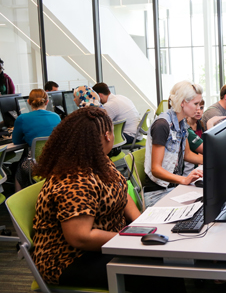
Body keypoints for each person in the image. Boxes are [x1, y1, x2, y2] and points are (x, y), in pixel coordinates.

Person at [31, 106, 186, 292]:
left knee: (166, 261)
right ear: (107, 135)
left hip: (105, 244)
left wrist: (142, 225)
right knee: (159, 274)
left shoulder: (99, 160)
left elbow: (121, 192)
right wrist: (130, 241)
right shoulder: (74, 180)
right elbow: (80, 238)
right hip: (70, 259)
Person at [144, 81, 204, 203]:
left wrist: (214, 161)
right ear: (182, 103)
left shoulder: (182, 123)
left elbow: (187, 155)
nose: (198, 109)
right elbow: (156, 169)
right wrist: (184, 179)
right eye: (196, 104)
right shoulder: (162, 125)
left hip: (173, 186)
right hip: (157, 192)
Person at [12, 89, 61, 190]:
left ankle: (19, 199)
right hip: (55, 162)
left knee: (19, 169)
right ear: (47, 102)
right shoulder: (56, 117)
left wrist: (27, 137)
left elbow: (16, 141)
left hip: (34, 164)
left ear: (28, 102)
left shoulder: (22, 118)